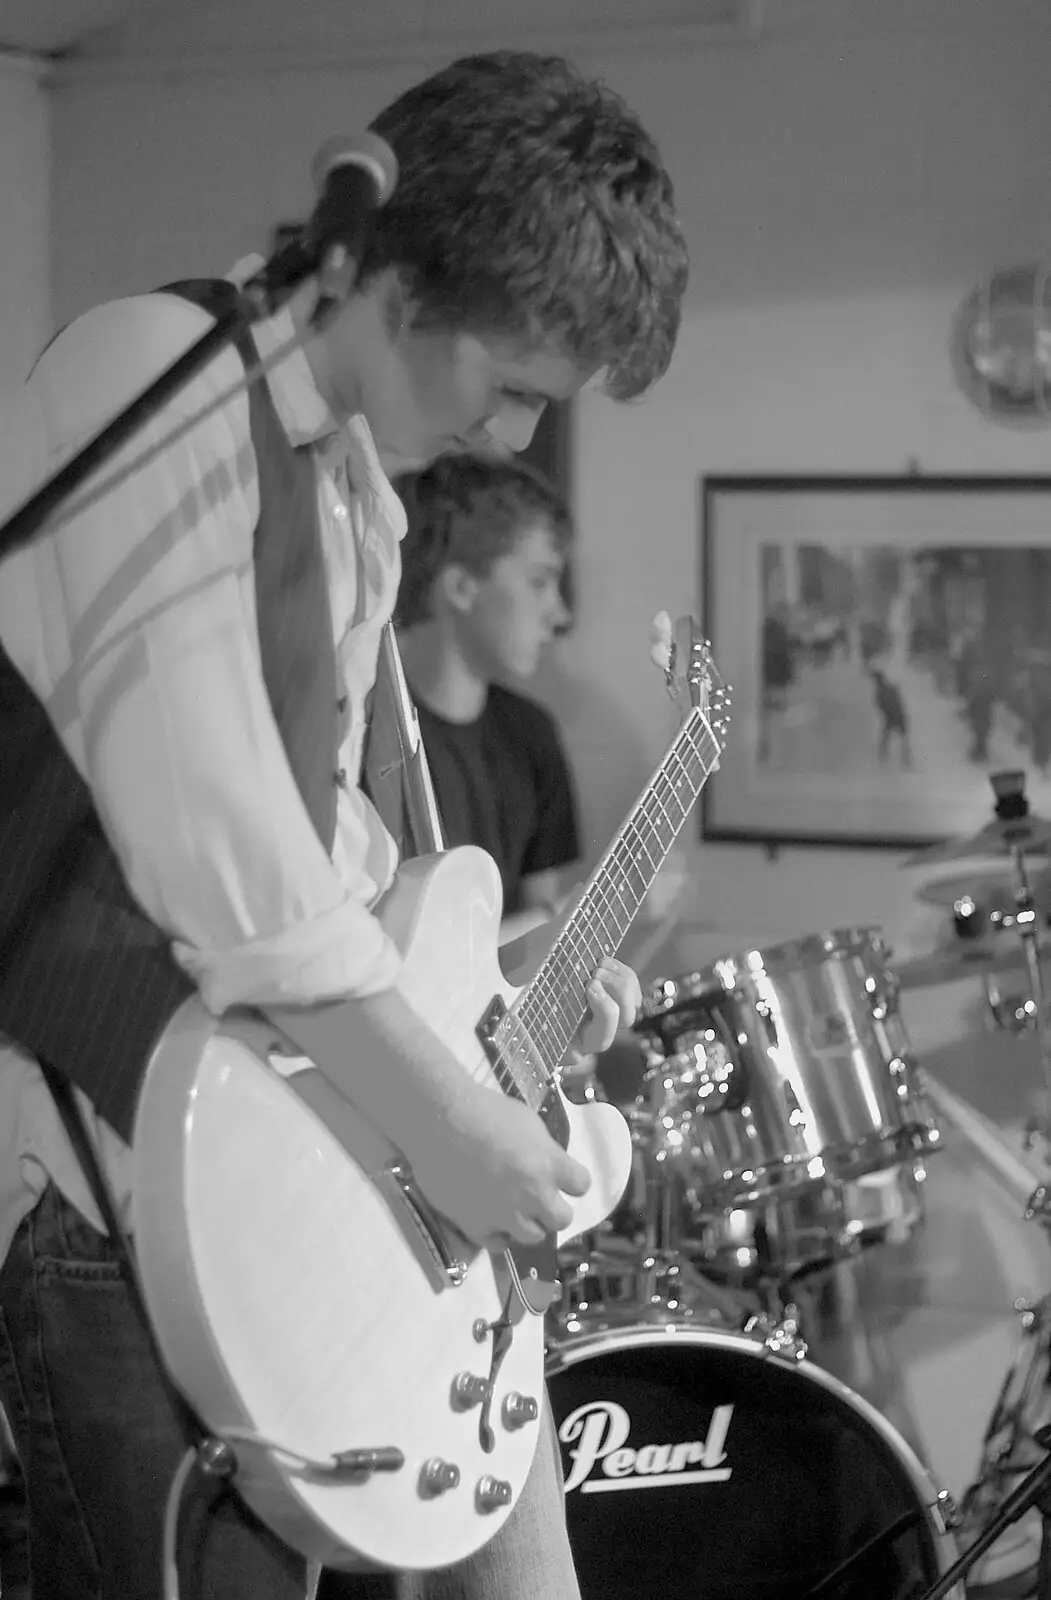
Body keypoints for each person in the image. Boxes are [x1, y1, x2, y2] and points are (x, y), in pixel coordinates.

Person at [0, 48, 687, 1600]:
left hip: (273, 1170)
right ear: (397, 277)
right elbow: (213, 838)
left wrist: (488, 980)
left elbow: (330, 865)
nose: (512, 437)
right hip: (118, 1187)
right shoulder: (149, 374)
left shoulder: (348, 487)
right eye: (510, 383)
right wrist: (452, 1130)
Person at [394, 453, 581, 946]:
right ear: (460, 586)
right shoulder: (367, 734)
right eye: (539, 581)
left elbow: (541, 948)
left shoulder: (533, 735)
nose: (558, 614)